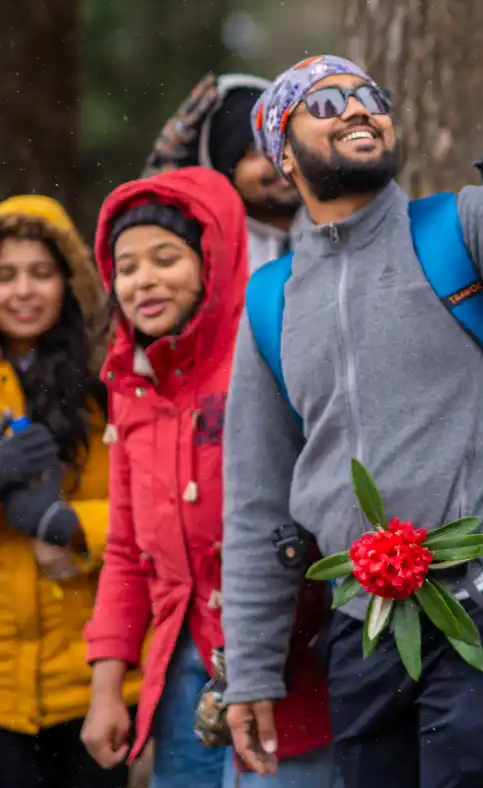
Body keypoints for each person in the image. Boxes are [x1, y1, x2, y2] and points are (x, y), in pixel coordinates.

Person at [219, 0, 483, 788]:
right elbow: (257, 500)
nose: (360, 110)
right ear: (283, 152)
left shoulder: (461, 230)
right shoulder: (268, 303)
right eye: (328, 103)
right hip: (360, 616)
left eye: (370, 95)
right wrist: (254, 671)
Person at [80, 168, 335, 788]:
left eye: (166, 258)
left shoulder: (270, 357)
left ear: (213, 259)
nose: (144, 280)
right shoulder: (131, 387)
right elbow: (125, 552)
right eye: (127, 267)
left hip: (289, 662)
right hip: (181, 668)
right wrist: (106, 686)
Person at [0, 195, 140, 788]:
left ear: (67, 283)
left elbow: (155, 505)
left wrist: (71, 524)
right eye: (5, 275)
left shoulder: (110, 379)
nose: (22, 291)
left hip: (94, 677)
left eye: (41, 273)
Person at [142, 72, 301, 273]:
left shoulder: (343, 229)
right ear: (225, 176)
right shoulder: (209, 268)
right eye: (254, 152)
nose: (277, 159)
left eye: (282, 141)